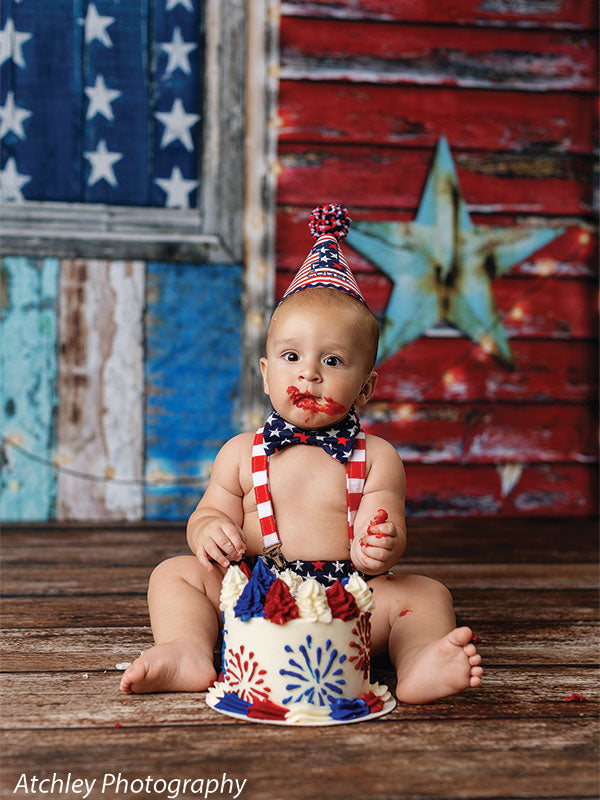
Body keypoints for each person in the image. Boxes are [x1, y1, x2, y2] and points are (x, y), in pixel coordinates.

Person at [120, 205, 482, 703]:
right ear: (267, 373)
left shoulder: (377, 457)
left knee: (425, 594)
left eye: (332, 360)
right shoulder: (239, 453)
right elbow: (208, 512)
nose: (308, 373)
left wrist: (380, 544)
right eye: (292, 357)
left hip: (348, 604)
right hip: (249, 596)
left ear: (365, 387)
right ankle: (186, 649)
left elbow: (387, 529)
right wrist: (208, 530)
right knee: (175, 574)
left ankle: (420, 660)